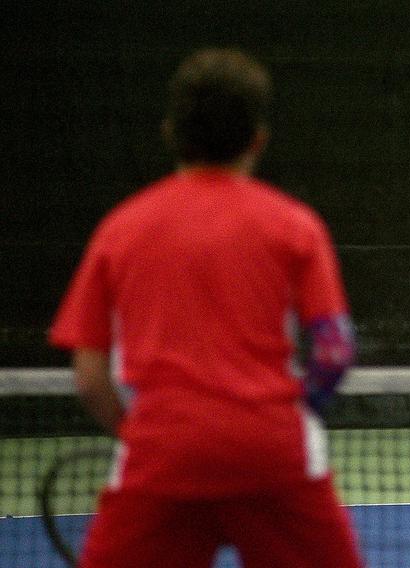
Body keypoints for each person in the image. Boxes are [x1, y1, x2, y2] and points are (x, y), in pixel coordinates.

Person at [49, 48, 363, 568]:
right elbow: (332, 350)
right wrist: (285, 417)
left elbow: (89, 377)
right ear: (258, 140)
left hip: (162, 454)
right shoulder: (296, 227)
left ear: (171, 132)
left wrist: (146, 436)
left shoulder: (119, 230)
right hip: (273, 453)